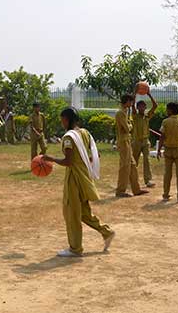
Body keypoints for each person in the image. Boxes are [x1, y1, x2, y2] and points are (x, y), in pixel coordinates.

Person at [43, 108, 115, 257]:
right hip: (84, 177)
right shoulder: (85, 133)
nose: (61, 122)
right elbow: (94, 155)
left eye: (62, 119)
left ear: (68, 119)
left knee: (72, 213)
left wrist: (51, 159)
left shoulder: (68, 137)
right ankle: (107, 232)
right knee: (83, 212)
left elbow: (68, 161)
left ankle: (75, 248)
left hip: (74, 179)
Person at [115, 94, 149, 197]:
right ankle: (120, 191)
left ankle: (136, 189)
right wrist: (131, 124)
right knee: (125, 166)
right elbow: (127, 128)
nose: (132, 104)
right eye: (131, 102)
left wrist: (130, 123)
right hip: (123, 142)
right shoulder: (120, 113)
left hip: (128, 141)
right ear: (127, 101)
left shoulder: (124, 112)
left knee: (133, 166)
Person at [131, 93, 158, 188]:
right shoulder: (135, 115)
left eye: (143, 106)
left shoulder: (147, 116)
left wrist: (149, 94)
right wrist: (135, 94)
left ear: (145, 107)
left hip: (146, 141)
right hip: (136, 141)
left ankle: (148, 180)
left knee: (147, 160)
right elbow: (132, 105)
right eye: (140, 106)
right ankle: (132, 179)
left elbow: (155, 106)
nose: (142, 108)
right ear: (137, 108)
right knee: (134, 161)